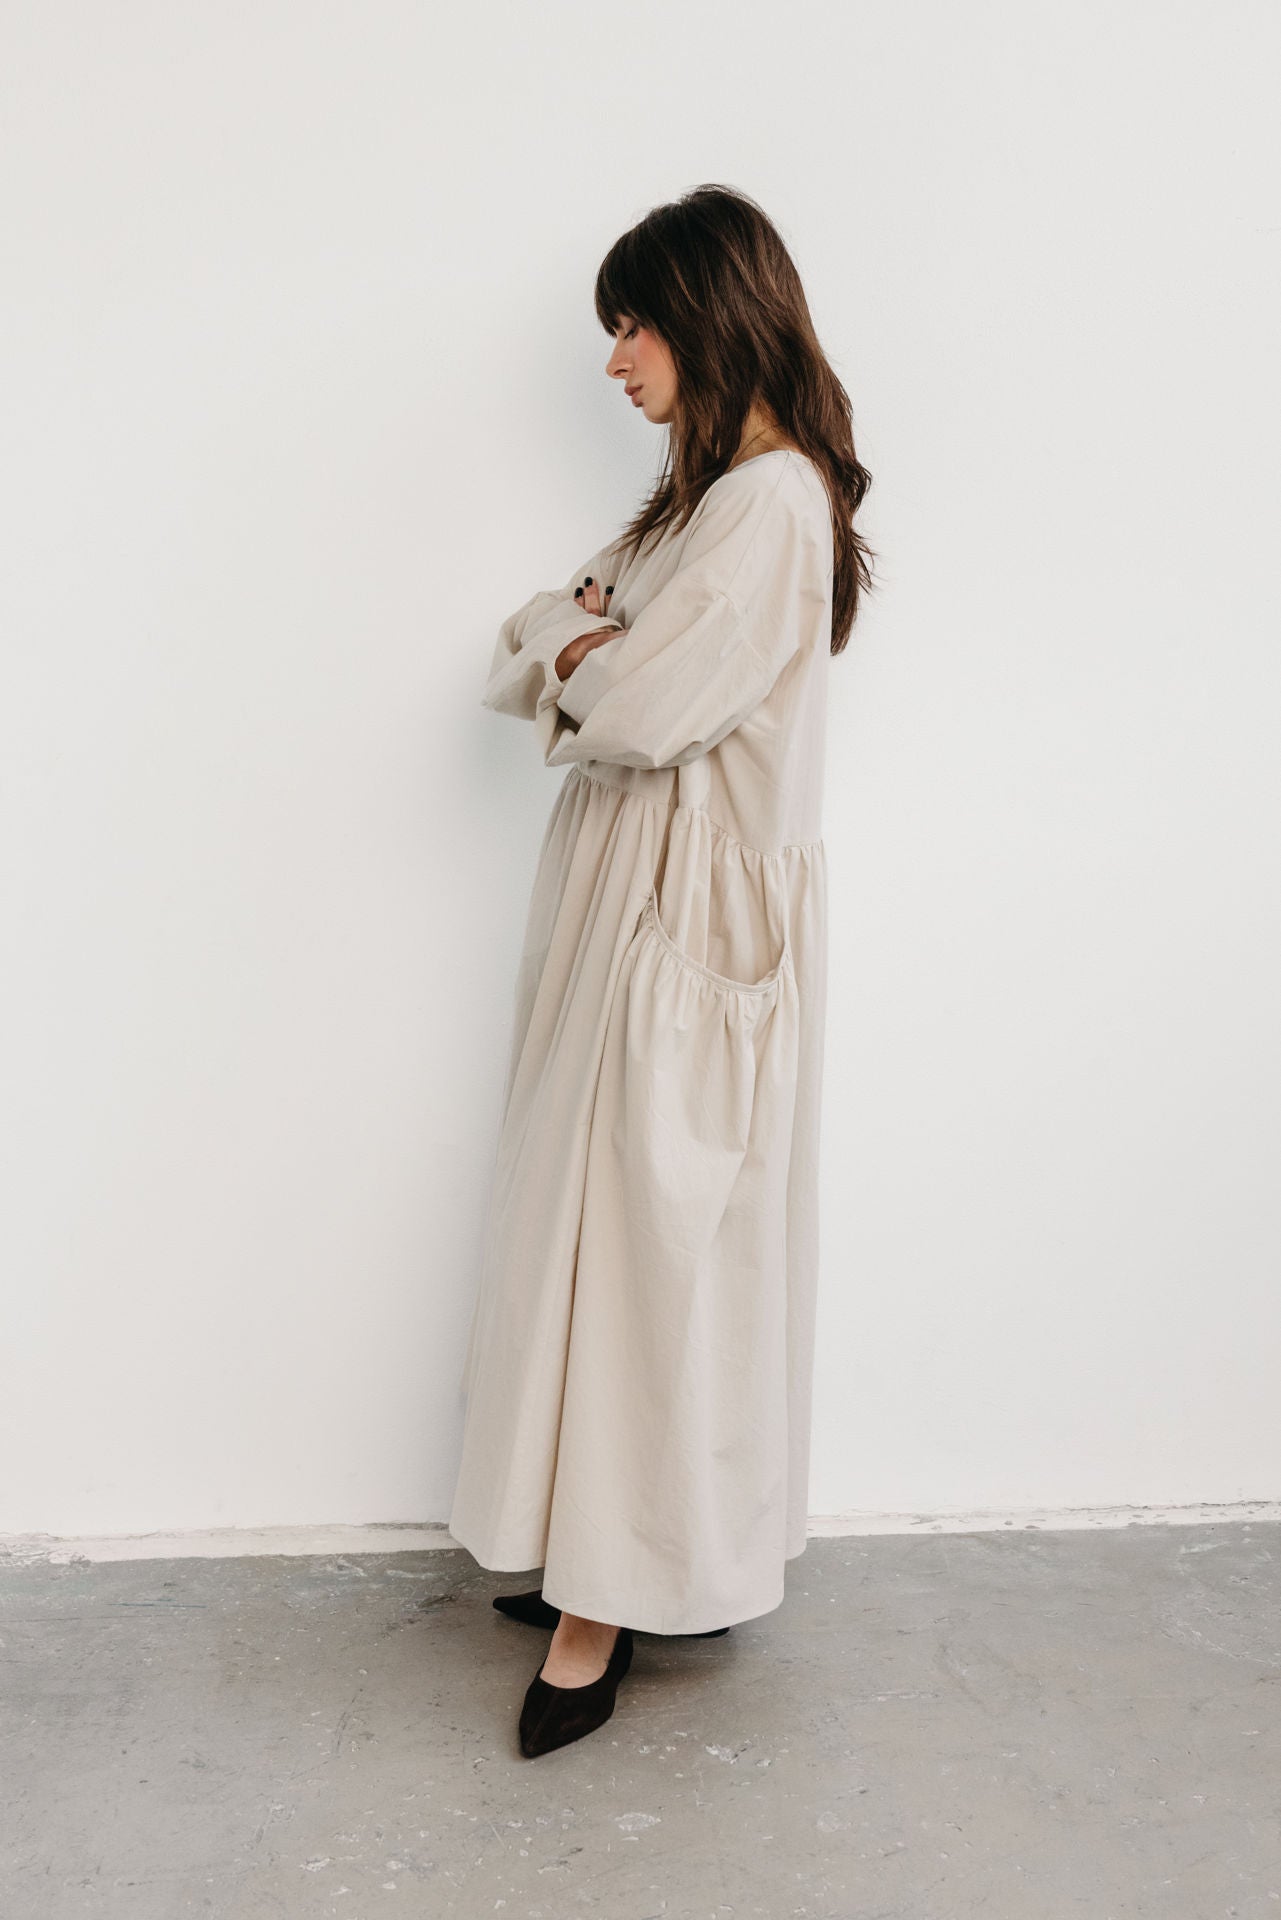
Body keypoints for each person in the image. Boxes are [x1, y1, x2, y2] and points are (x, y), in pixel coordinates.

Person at [449, 183, 877, 1758]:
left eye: (634, 324)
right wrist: (581, 642)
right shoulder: (687, 508)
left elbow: (630, 708)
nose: (616, 358)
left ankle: (607, 1604)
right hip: (622, 904)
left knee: (657, 1261)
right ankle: (594, 1556)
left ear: (709, 316)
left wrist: (581, 647)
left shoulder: (770, 506)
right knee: (587, 1238)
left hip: (689, 919)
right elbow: (537, 634)